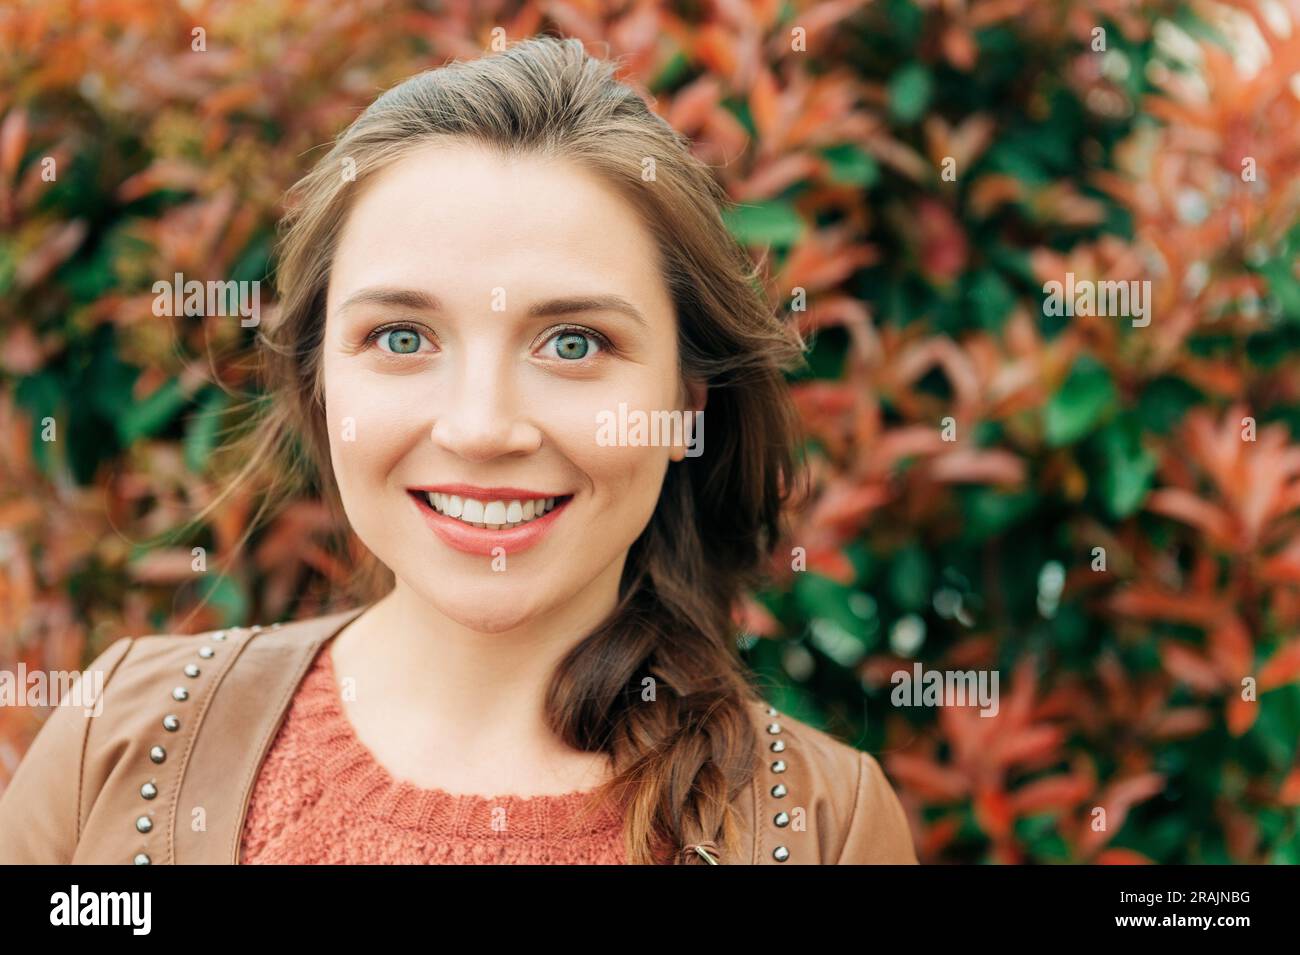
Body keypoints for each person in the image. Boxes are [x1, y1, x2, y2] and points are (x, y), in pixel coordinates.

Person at [0, 34, 916, 865]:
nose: (481, 428)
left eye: (573, 344)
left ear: (684, 402)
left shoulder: (822, 824)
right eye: (403, 338)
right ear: (322, 379)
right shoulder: (117, 735)